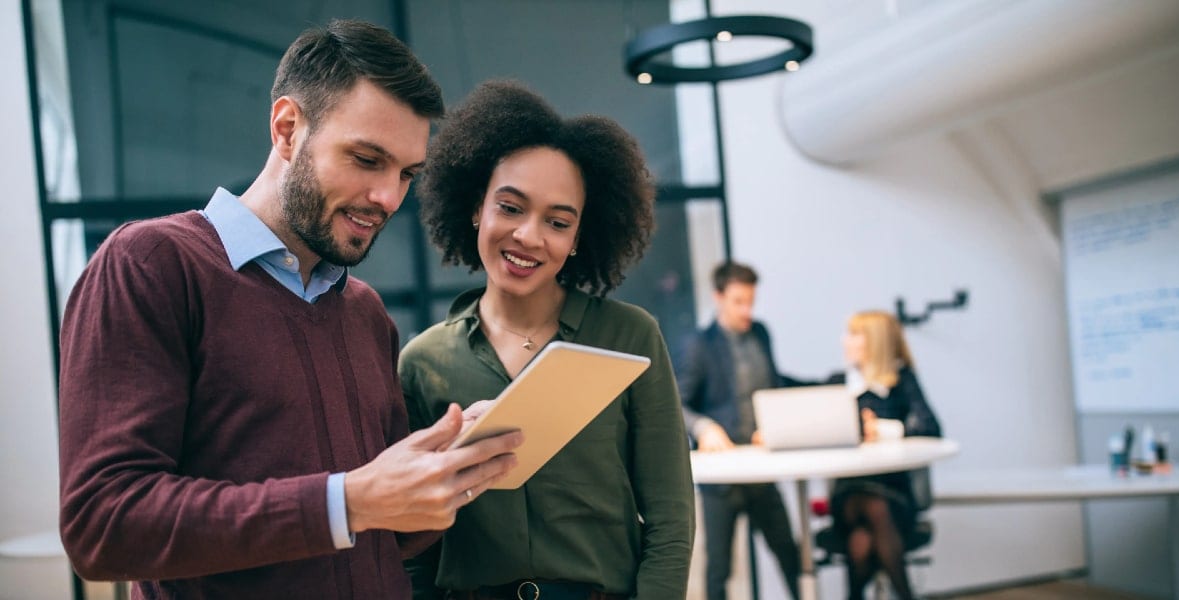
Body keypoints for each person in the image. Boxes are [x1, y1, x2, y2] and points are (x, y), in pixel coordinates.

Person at [56, 20, 523, 599]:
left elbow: (385, 532)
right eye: (366, 158)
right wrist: (346, 501)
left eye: (406, 174)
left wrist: (446, 471)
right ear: (286, 129)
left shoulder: (365, 313)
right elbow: (103, 525)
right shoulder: (152, 265)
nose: (388, 197)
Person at [400, 80, 695, 600]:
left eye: (557, 222)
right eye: (510, 207)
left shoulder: (629, 337)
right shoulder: (424, 363)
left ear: (578, 237)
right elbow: (414, 545)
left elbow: (671, 519)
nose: (529, 236)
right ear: (477, 206)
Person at [676, 261, 802, 600]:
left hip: (762, 470)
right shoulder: (698, 345)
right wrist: (704, 427)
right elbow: (676, 403)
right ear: (718, 297)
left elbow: (775, 384)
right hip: (722, 479)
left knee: (789, 554)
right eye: (739, 302)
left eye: (751, 301)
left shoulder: (761, 333)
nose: (747, 310)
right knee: (719, 568)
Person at [829, 310, 942, 600]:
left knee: (863, 539)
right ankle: (906, 595)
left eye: (854, 334)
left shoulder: (901, 382)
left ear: (874, 342)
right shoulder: (839, 383)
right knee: (871, 508)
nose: (845, 341)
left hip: (894, 495)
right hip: (849, 496)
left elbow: (930, 426)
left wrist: (882, 429)